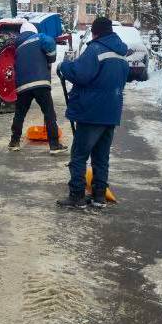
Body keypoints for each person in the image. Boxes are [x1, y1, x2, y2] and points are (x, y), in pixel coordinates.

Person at [56, 16, 130, 210]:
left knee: (79, 155)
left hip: (91, 112)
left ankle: (77, 195)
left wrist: (64, 66)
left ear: (96, 32)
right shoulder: (121, 53)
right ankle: (99, 196)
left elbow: (81, 74)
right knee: (101, 156)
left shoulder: (95, 49)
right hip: (111, 112)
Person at [8, 21, 64, 153]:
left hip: (22, 86)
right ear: (33, 31)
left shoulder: (19, 47)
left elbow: (16, 66)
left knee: (19, 114)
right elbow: (49, 42)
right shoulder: (40, 37)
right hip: (40, 83)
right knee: (49, 113)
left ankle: (14, 142)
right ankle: (54, 145)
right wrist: (51, 57)